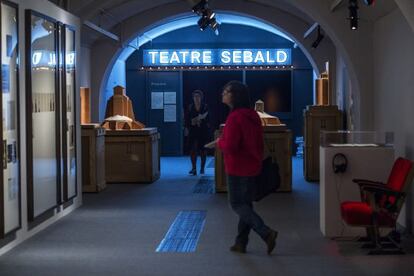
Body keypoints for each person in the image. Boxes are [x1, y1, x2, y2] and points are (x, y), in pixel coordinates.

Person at [216, 80, 278, 255]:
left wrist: (220, 142)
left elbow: (231, 146)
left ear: (235, 96)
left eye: (227, 91)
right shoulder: (253, 115)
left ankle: (266, 232)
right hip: (252, 165)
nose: (223, 94)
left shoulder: (235, 117)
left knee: (236, 204)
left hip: (237, 168)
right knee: (246, 205)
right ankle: (240, 243)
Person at [186, 90, 210, 175]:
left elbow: (209, 118)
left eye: (198, 96)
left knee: (203, 150)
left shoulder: (205, 107)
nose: (196, 98)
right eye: (195, 96)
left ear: (201, 98)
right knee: (193, 150)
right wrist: (191, 122)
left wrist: (201, 120)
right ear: (193, 98)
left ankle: (202, 168)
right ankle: (194, 168)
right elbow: (187, 119)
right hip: (193, 131)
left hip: (203, 131)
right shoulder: (190, 107)